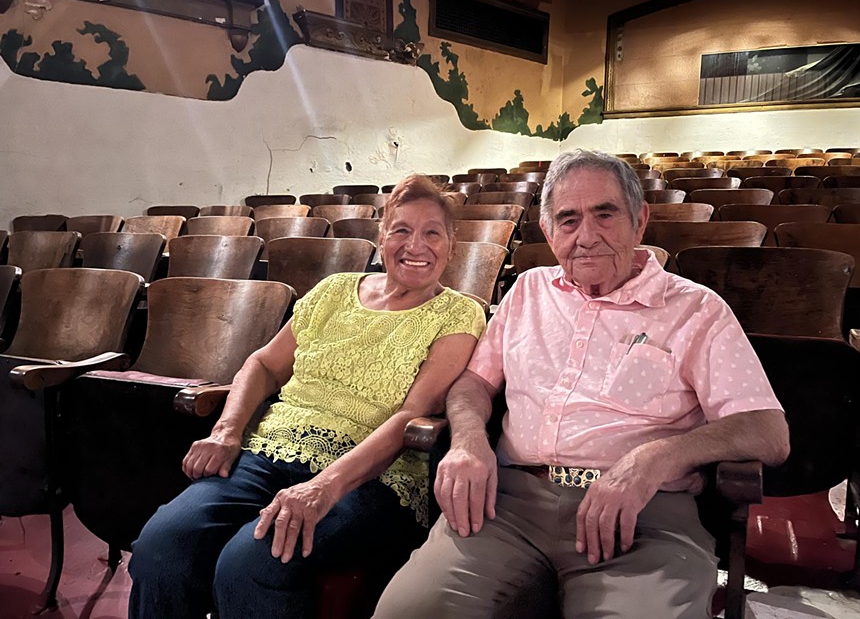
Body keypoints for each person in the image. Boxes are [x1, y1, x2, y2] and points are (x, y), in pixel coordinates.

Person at [373, 150, 790, 618]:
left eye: (604, 215)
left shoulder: (696, 310)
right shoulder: (527, 291)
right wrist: (469, 441)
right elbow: (473, 382)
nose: (586, 237)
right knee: (407, 612)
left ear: (639, 220)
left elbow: (767, 429)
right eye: (568, 220)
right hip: (506, 508)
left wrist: (656, 457)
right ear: (549, 232)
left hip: (642, 519)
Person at [128, 175, 486, 619]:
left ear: (451, 244)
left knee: (248, 564)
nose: (416, 245)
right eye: (401, 230)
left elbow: (411, 416)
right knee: (162, 546)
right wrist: (227, 431)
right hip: (267, 452)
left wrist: (321, 487)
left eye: (432, 232)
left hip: (371, 478)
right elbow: (263, 365)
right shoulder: (334, 290)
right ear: (381, 237)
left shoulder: (458, 313)